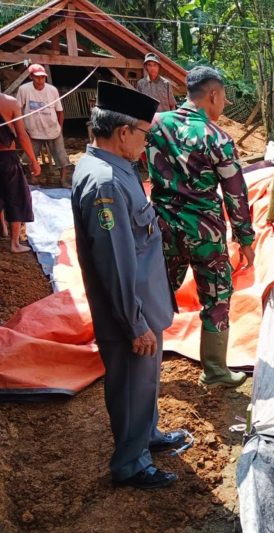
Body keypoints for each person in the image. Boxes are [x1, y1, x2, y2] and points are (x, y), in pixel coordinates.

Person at [71, 81, 186, 489]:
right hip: (129, 312)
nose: (146, 142)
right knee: (131, 387)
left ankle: (146, 435)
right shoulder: (105, 182)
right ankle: (130, 463)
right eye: (144, 134)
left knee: (144, 384)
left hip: (143, 303)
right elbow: (116, 263)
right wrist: (135, 324)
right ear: (123, 132)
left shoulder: (116, 168)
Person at [147, 66, 254, 388]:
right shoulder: (217, 138)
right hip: (205, 232)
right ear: (213, 95)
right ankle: (215, 370)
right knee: (216, 297)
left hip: (162, 228)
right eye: (224, 98)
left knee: (155, 294)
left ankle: (143, 366)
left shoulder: (156, 125)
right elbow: (235, 194)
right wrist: (245, 239)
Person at [0, 89, 42, 252]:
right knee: (16, 196)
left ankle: (3, 228)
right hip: (6, 157)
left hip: (6, 157)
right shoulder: (9, 103)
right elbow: (22, 135)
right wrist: (33, 160)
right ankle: (15, 244)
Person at [16, 63, 70, 188]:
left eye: (43, 77)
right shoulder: (24, 89)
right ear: (31, 76)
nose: (40, 80)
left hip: (53, 129)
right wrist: (22, 129)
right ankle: (33, 178)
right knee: (29, 157)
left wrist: (60, 128)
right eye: (37, 77)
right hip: (33, 129)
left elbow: (60, 111)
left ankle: (63, 180)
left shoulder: (52, 90)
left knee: (61, 157)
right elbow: (18, 110)